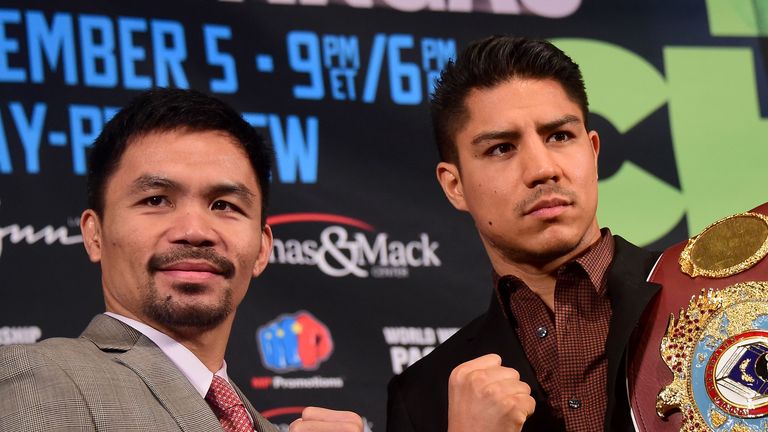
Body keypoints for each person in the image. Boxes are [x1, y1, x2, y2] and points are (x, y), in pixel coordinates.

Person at [0, 88, 363, 432]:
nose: (194, 230)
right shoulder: (40, 377)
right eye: (156, 200)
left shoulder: (253, 422)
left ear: (262, 249)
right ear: (94, 234)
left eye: (224, 205)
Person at [386, 36, 661, 432]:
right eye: (501, 148)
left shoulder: (705, 297)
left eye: (560, 136)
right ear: (455, 186)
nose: (542, 168)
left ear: (593, 152)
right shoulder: (423, 397)